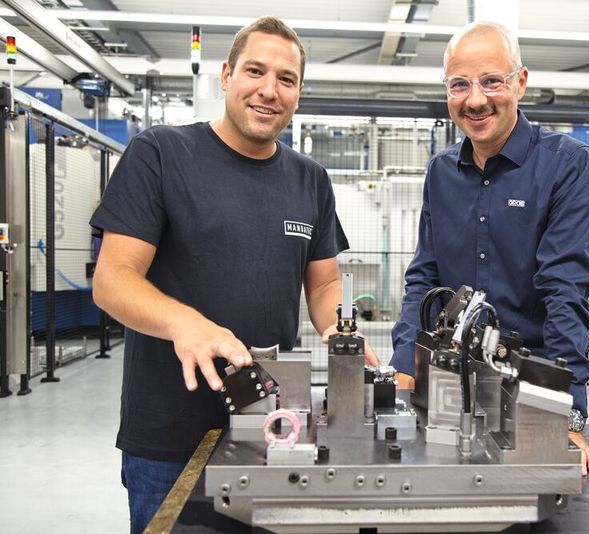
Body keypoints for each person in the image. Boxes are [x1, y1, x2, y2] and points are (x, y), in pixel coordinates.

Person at [91, 16, 377, 533]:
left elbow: (325, 284)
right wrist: (187, 324)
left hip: (272, 430)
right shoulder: (159, 154)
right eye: (255, 71)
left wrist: (339, 331)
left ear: (299, 91)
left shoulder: (309, 179)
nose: (269, 91)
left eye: (286, 79)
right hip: (170, 436)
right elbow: (113, 280)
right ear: (226, 75)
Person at [390, 21, 589, 476]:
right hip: (446, 385)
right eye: (459, 84)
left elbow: (564, 290)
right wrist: (402, 364)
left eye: (492, 81)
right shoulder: (440, 173)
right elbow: (424, 277)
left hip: (531, 388)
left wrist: (564, 414)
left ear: (520, 82)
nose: (475, 99)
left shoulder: (571, 168)